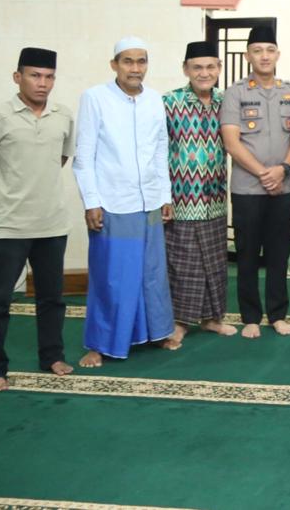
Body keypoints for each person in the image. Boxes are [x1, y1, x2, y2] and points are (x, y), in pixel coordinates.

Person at [0, 47, 76, 391]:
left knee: (51, 298)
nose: (42, 83)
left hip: (52, 225)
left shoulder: (64, 116)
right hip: (8, 228)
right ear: (18, 77)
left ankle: (52, 355)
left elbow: (60, 156)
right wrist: (5, 193)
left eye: (48, 77)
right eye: (34, 75)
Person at [72, 37, 177, 366]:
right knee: (113, 276)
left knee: (151, 272)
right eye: (128, 61)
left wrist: (165, 195)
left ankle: (156, 332)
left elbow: (161, 150)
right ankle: (100, 343)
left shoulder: (155, 99)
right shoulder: (95, 98)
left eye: (141, 61)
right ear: (114, 64)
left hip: (149, 201)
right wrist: (91, 201)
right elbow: (83, 157)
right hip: (113, 202)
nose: (135, 68)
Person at [220, 25, 290, 339]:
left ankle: (277, 314)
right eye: (257, 51)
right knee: (248, 254)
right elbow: (231, 142)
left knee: (279, 254)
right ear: (247, 55)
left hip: (284, 186)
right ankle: (250, 316)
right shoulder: (235, 92)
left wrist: (282, 168)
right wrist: (264, 173)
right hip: (247, 189)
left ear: (277, 54)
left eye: (269, 50)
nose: (264, 56)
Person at [162, 41, 237, 344]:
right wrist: (162, 195)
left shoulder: (226, 101)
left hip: (216, 198)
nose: (204, 73)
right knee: (181, 261)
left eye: (210, 67)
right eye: (197, 67)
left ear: (218, 68)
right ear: (186, 69)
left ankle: (211, 318)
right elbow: (155, 149)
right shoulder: (169, 102)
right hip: (180, 197)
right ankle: (179, 322)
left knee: (215, 261)